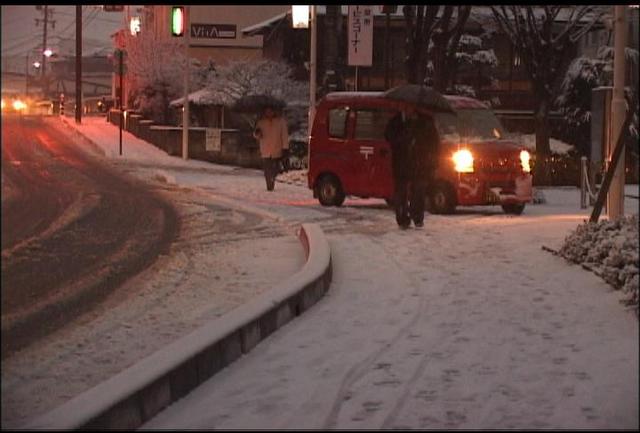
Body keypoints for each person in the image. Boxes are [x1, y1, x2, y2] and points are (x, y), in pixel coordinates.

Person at [384, 106, 439, 229]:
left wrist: (431, 158)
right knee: (401, 192)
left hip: (419, 163)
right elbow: (388, 136)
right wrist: (403, 138)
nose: (409, 110)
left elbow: (434, 142)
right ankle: (402, 217)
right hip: (401, 163)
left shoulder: (425, 122)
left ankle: (417, 216)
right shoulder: (396, 121)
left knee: (419, 190)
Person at [253, 106, 289, 191]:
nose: (268, 113)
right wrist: (257, 133)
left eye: (270, 111)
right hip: (265, 149)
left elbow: (284, 136)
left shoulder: (280, 121)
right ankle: (269, 185)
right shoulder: (261, 122)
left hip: (277, 150)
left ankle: (272, 180)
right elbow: (256, 135)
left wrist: (285, 148)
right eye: (267, 111)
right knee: (267, 170)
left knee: (274, 169)